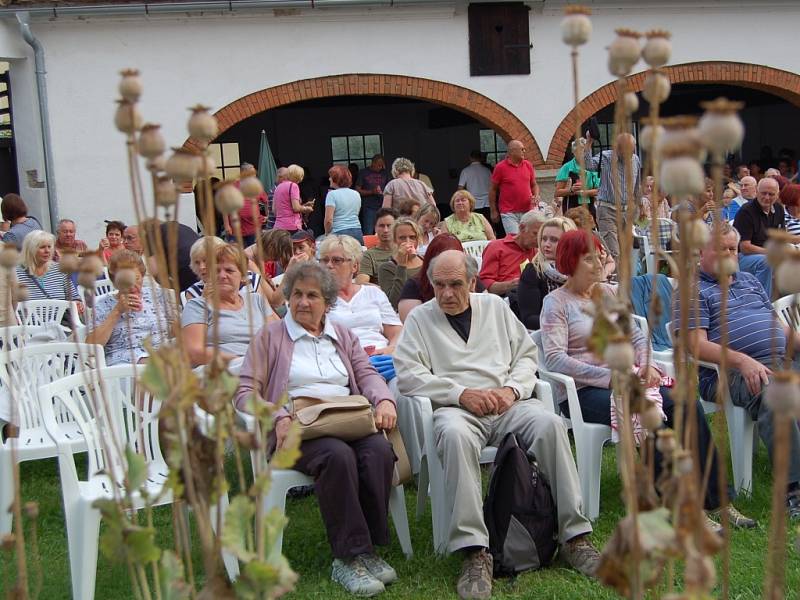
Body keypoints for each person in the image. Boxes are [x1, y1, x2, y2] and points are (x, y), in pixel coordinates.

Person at [394, 250, 600, 598]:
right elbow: (409, 375)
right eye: (439, 285)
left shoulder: (494, 308)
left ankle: (574, 536)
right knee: (456, 437)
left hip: (507, 403)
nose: (446, 293)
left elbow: (526, 355)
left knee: (550, 424)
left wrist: (511, 389)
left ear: (472, 282)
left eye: (455, 284)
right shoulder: (420, 320)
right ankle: (474, 551)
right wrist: (460, 394)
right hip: (456, 408)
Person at [540, 229, 754, 530]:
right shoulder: (556, 303)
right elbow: (555, 359)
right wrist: (611, 377)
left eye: (600, 255)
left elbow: (639, 337)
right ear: (570, 263)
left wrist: (649, 365)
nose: (600, 263)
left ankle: (716, 500)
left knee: (687, 406)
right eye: (589, 259)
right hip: (587, 390)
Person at [235, 261, 400, 596]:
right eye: (297, 294)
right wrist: (277, 415)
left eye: (312, 295)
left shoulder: (342, 334)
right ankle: (347, 558)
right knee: (337, 457)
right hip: (298, 429)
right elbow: (244, 392)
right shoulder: (270, 337)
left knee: (380, 450)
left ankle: (365, 548)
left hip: (346, 419)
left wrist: (383, 400)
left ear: (327, 301)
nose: (303, 302)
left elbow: (365, 373)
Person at [678, 222, 800, 520]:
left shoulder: (748, 280)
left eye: (732, 249)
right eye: (720, 248)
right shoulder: (693, 289)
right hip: (726, 373)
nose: (729, 255)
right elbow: (696, 345)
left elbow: (779, 327)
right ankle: (794, 491)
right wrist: (742, 361)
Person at [182, 244, 278, 367]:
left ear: (243, 276)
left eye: (229, 270)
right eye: (216, 271)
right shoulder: (198, 306)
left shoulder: (256, 300)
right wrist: (243, 361)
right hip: (223, 370)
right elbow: (195, 353)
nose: (222, 276)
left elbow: (275, 338)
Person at [86, 249, 174, 365]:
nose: (132, 286)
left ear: (142, 276)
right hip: (126, 363)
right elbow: (91, 347)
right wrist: (117, 311)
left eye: (137, 279)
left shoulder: (156, 295)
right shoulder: (102, 305)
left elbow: (173, 330)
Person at [320, 235, 401, 354]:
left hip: (381, 356)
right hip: (341, 360)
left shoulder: (373, 293)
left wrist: (388, 350)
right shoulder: (317, 298)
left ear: (354, 266)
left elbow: (396, 332)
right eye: (325, 260)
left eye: (337, 260)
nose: (329, 265)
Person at [398, 233, 486, 322]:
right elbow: (411, 325)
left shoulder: (470, 279)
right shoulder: (413, 286)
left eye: (456, 284)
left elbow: (485, 315)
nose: (448, 294)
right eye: (439, 284)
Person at [582, 132, 642, 264]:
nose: (629, 155)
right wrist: (589, 142)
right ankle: (616, 283)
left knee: (628, 251)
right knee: (614, 252)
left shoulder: (636, 160)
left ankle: (627, 282)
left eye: (631, 151)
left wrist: (639, 208)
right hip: (608, 211)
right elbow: (587, 165)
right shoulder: (606, 157)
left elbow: (637, 186)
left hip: (628, 212)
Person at [517, 217, 577, 330]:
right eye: (544, 239)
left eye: (554, 240)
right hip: (546, 333)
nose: (546, 244)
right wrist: (565, 323)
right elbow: (529, 319)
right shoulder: (533, 271)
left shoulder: (578, 270)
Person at [733, 176, 784, 297]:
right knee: (766, 262)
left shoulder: (779, 209)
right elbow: (745, 247)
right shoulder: (746, 211)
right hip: (743, 257)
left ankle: (789, 301)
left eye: (771, 194)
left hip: (766, 253)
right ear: (756, 191)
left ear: (777, 195)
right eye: (763, 193)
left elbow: (780, 238)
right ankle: (762, 303)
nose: (766, 197)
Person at [478, 209, 545, 296]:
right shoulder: (496, 247)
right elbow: (484, 283)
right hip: (505, 298)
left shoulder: (537, 251)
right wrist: (509, 285)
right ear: (522, 228)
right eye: (535, 234)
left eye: (541, 236)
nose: (538, 239)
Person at [14, 230, 81, 308]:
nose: (47, 251)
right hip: (28, 320)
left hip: (60, 319)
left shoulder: (59, 269)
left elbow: (74, 297)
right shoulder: (15, 273)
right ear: (30, 249)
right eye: (42, 247)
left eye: (49, 247)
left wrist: (77, 304)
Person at [489, 140, 540, 235]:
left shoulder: (528, 165)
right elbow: (493, 190)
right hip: (509, 213)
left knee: (530, 239)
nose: (524, 151)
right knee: (515, 240)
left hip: (528, 211)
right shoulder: (500, 167)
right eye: (522, 149)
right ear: (512, 151)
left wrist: (536, 195)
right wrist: (493, 210)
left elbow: (534, 184)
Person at [377, 218, 424, 310]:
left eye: (412, 237)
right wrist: (401, 265)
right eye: (402, 238)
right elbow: (393, 302)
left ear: (418, 239)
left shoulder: (426, 261)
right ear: (395, 240)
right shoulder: (386, 267)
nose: (408, 242)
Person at [141, 220, 200, 292]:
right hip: (205, 258)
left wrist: (175, 287)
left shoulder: (150, 235)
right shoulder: (181, 226)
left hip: (184, 265)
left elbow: (155, 271)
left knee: (188, 296)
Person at [223, 163, 266, 247]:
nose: (254, 176)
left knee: (253, 253)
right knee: (237, 255)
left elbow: (266, 201)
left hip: (254, 228)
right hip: (235, 229)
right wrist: (226, 225)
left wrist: (266, 216)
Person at [356, 208, 397, 285]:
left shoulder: (404, 251)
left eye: (389, 226)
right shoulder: (368, 255)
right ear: (375, 228)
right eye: (381, 226)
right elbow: (361, 282)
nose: (385, 230)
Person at [324, 164, 363, 244]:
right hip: (357, 231)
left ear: (336, 179)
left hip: (339, 232)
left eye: (331, 177)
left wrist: (327, 234)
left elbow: (328, 220)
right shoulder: (356, 194)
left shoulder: (332, 195)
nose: (329, 179)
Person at [555, 150, 599, 218]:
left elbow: (599, 190)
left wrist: (584, 192)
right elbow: (557, 192)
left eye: (584, 151)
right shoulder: (567, 167)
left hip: (589, 207)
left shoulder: (593, 166)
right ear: (574, 152)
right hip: (571, 208)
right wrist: (571, 190)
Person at [273, 164, 313, 233]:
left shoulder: (278, 187)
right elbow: (296, 208)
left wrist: (304, 205)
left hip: (278, 226)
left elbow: (275, 211)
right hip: (291, 226)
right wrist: (307, 209)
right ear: (298, 176)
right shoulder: (293, 186)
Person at [355, 154, 389, 235]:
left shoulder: (385, 173)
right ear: (372, 163)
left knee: (383, 231)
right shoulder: (363, 173)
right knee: (369, 231)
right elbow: (357, 190)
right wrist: (371, 192)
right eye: (378, 165)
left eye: (382, 165)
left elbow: (390, 189)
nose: (380, 167)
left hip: (382, 206)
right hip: (369, 207)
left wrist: (384, 193)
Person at [457, 150, 493, 222]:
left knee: (474, 226)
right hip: (487, 203)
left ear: (470, 158)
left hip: (473, 203)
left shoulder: (465, 171)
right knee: (487, 225)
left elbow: (460, 189)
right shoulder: (487, 171)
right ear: (480, 158)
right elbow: (492, 187)